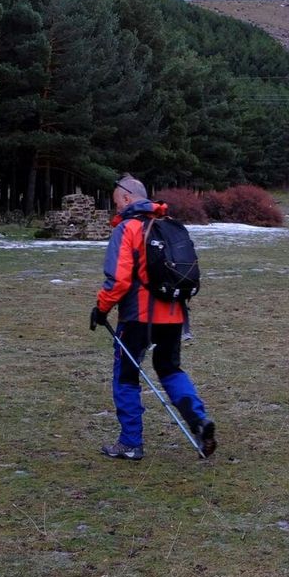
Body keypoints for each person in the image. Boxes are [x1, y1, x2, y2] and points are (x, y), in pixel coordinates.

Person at [90, 175, 216, 460]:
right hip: (173, 314)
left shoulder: (128, 229)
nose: (116, 208)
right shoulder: (167, 224)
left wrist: (101, 308)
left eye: (115, 202)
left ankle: (131, 442)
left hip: (138, 317)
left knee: (126, 375)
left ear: (126, 198)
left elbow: (119, 280)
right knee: (170, 368)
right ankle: (199, 420)